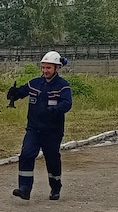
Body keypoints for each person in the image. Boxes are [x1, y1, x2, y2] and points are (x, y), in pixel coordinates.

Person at [7, 51, 73, 201]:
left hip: (52, 131)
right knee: (26, 155)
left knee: (52, 159)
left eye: (48, 68)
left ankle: (56, 187)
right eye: (43, 67)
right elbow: (23, 91)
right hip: (34, 129)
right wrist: (14, 94)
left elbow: (67, 103)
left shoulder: (63, 86)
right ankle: (25, 188)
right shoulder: (35, 83)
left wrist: (54, 110)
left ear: (57, 68)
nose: (45, 71)